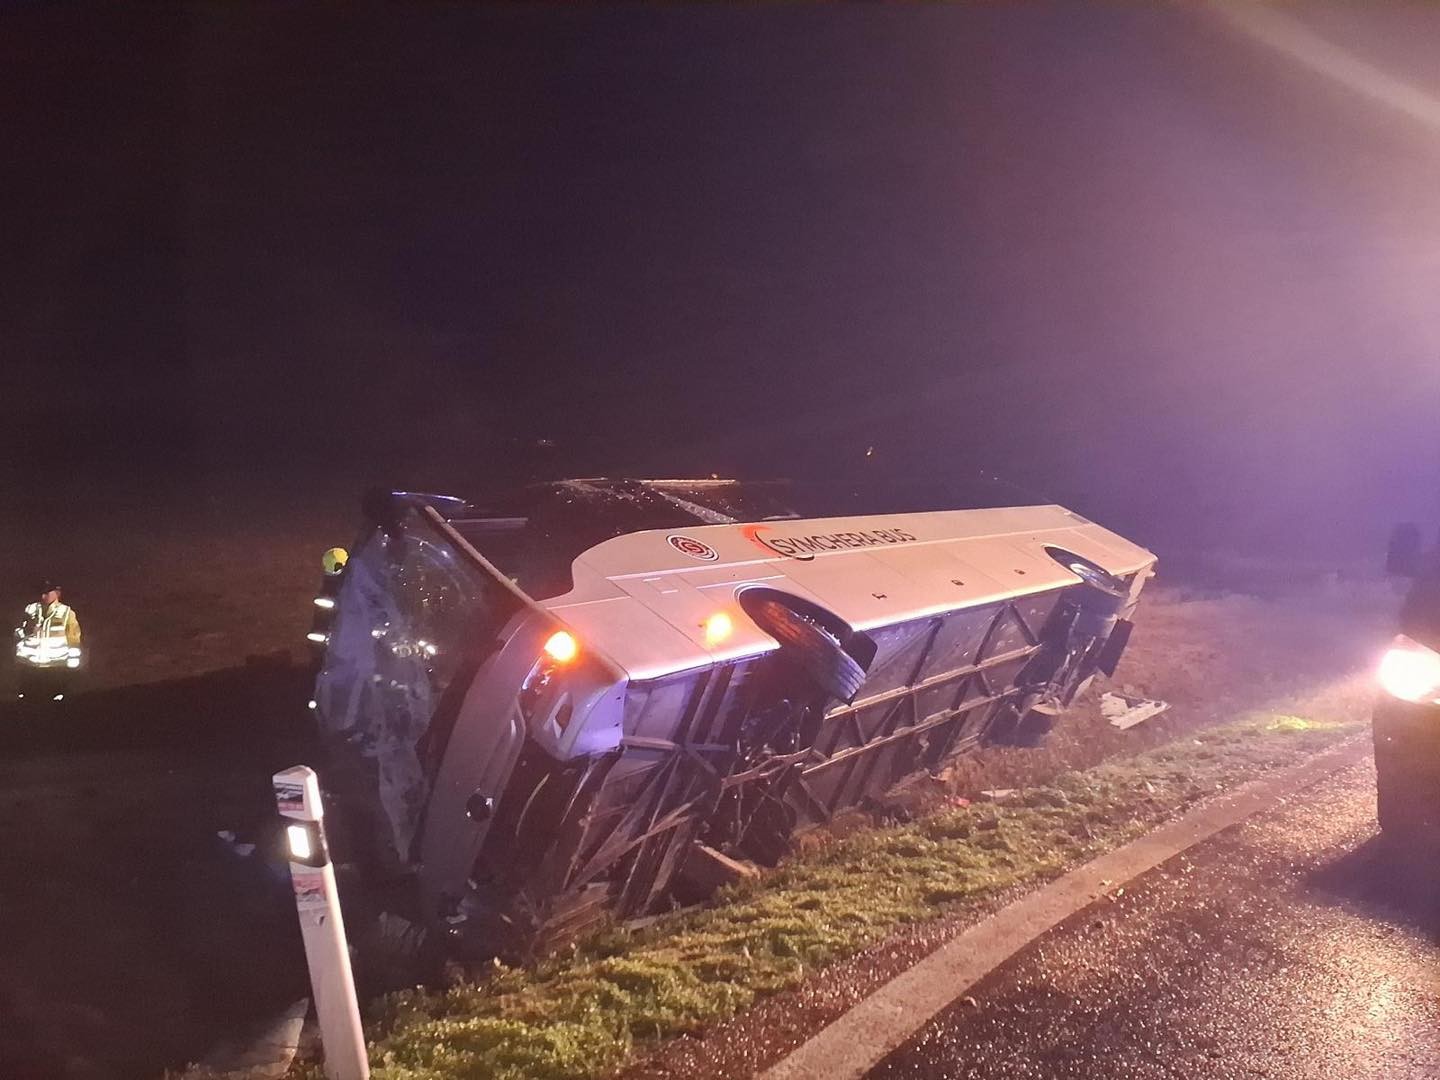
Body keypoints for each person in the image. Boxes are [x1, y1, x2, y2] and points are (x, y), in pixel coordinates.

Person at [14, 581, 82, 701]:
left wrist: (72, 666)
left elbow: (74, 639)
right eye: (42, 593)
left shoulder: (66, 613)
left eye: (47, 593)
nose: (43, 596)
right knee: (28, 701)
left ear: (57, 593)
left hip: (55, 667)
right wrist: (27, 630)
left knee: (54, 701)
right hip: (30, 666)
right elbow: (16, 633)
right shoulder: (30, 609)